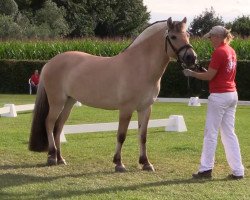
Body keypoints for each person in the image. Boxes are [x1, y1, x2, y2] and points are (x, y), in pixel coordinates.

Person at [183, 26, 244, 180]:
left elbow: (209, 76)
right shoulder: (231, 50)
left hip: (219, 96)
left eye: (211, 37)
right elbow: (218, 73)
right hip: (232, 94)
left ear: (217, 37)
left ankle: (206, 169)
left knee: (211, 133)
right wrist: (202, 72)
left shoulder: (219, 52)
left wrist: (192, 73)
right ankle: (238, 171)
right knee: (229, 134)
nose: (210, 40)